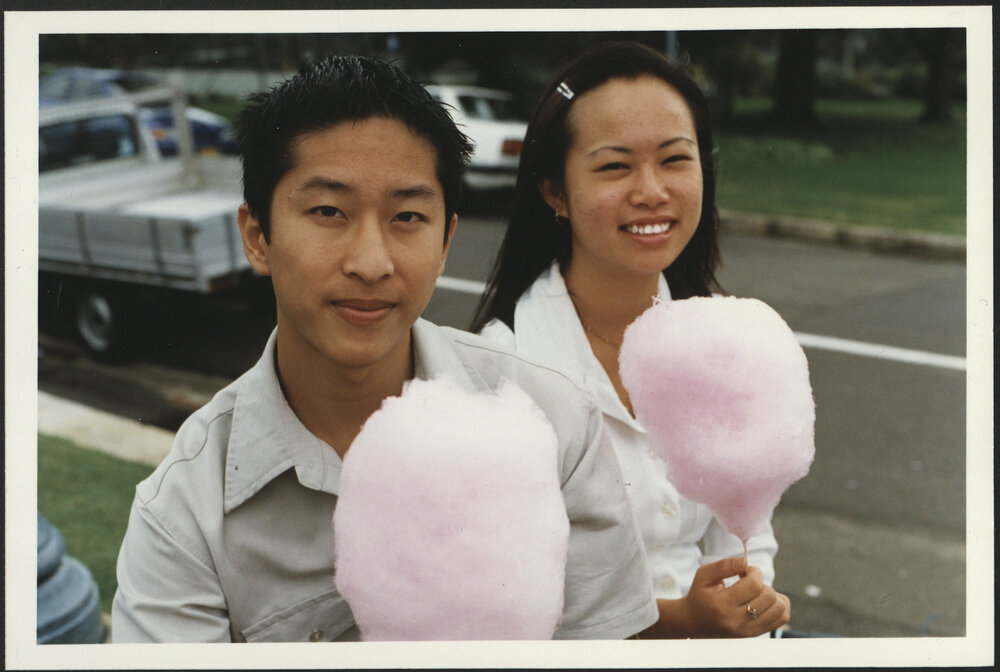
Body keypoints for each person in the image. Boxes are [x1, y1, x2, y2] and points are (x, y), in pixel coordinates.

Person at [111, 55, 658, 642]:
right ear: (257, 237)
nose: (371, 263)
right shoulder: (186, 513)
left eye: (407, 216)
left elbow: (605, 643)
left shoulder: (553, 423)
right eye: (328, 211)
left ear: (445, 241)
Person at [471, 41, 791, 638]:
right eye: (615, 166)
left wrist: (752, 608)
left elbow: (749, 539)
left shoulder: (725, 344)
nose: (651, 191)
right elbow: (504, 601)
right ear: (554, 192)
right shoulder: (501, 367)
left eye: (675, 159)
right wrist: (680, 624)